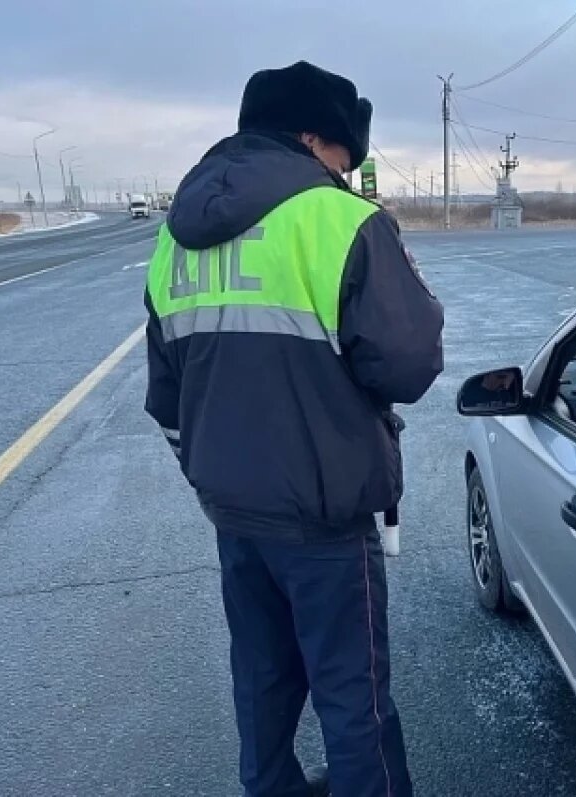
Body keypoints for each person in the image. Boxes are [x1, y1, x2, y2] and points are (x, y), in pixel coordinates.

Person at [143, 61, 444, 797]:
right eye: (343, 158)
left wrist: (213, 476)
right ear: (312, 139)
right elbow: (409, 365)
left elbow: (167, 397)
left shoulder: (175, 240)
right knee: (353, 698)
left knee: (262, 680)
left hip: (233, 513)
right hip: (322, 514)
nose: (344, 174)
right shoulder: (339, 220)